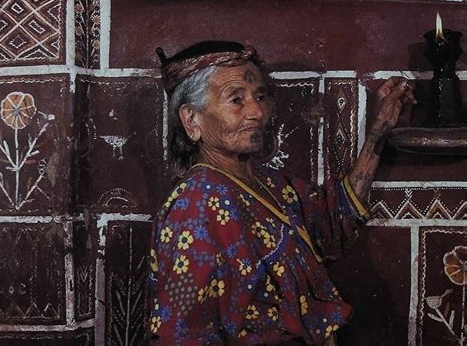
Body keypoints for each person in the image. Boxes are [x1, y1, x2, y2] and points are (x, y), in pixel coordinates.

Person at [147, 41, 416, 345]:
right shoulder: (194, 208)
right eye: (236, 100)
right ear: (191, 120)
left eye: (259, 96)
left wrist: (380, 127)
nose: (257, 111)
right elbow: (182, 334)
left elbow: (332, 221)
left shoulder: (269, 183)